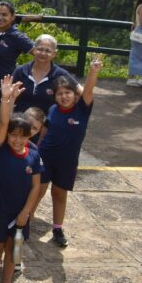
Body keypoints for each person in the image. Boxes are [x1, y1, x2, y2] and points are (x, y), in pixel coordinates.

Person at [36, 54, 103, 248]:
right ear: (54, 96)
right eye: (59, 93)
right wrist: (37, 150)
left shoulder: (82, 109)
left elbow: (89, 89)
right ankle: (24, 222)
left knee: (59, 193)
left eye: (68, 93)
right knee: (37, 190)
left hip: (67, 161)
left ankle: (57, 228)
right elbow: (44, 131)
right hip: (45, 156)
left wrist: (93, 72)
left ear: (75, 94)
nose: (64, 97)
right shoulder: (52, 110)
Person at [0, 76, 41, 283]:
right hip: (0, 209)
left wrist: (26, 212)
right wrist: (7, 98)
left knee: (14, 248)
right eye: (13, 134)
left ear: (30, 136)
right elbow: (5, 121)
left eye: (23, 135)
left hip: (20, 212)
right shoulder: (3, 149)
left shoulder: (34, 154)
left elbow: (36, 185)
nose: (17, 139)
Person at [12, 35, 80, 114]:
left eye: (48, 51)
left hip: (47, 123)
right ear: (33, 50)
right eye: (40, 49)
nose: (43, 53)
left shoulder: (60, 74)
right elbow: (8, 96)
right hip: (20, 122)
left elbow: (80, 92)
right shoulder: (21, 71)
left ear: (54, 53)